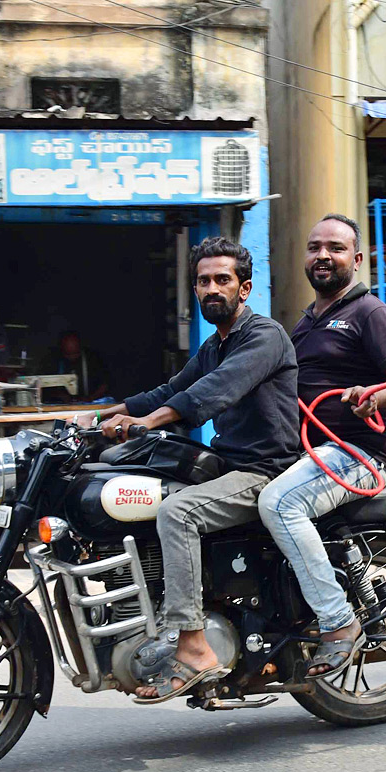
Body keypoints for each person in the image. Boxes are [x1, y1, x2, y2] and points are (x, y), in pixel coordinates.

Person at [95, 237, 300, 701]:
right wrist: (100, 415)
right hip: (228, 466)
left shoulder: (264, 336)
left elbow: (213, 392)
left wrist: (149, 422)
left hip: (264, 470)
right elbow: (169, 390)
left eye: (222, 279)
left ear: (244, 288)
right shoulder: (214, 346)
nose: (212, 288)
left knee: (178, 512)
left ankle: (193, 647)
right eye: (203, 281)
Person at [257, 214, 386, 679]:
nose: (323, 256)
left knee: (280, 504)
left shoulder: (371, 314)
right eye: (315, 247)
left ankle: (337, 622)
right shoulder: (304, 325)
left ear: (357, 258)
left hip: (359, 451)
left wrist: (375, 395)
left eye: (335, 247)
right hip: (310, 452)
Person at [40, 331, 110, 401]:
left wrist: (91, 398)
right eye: (68, 354)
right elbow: (43, 386)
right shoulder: (52, 362)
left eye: (75, 353)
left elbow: (104, 383)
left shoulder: (93, 360)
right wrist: (58, 395)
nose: (72, 357)